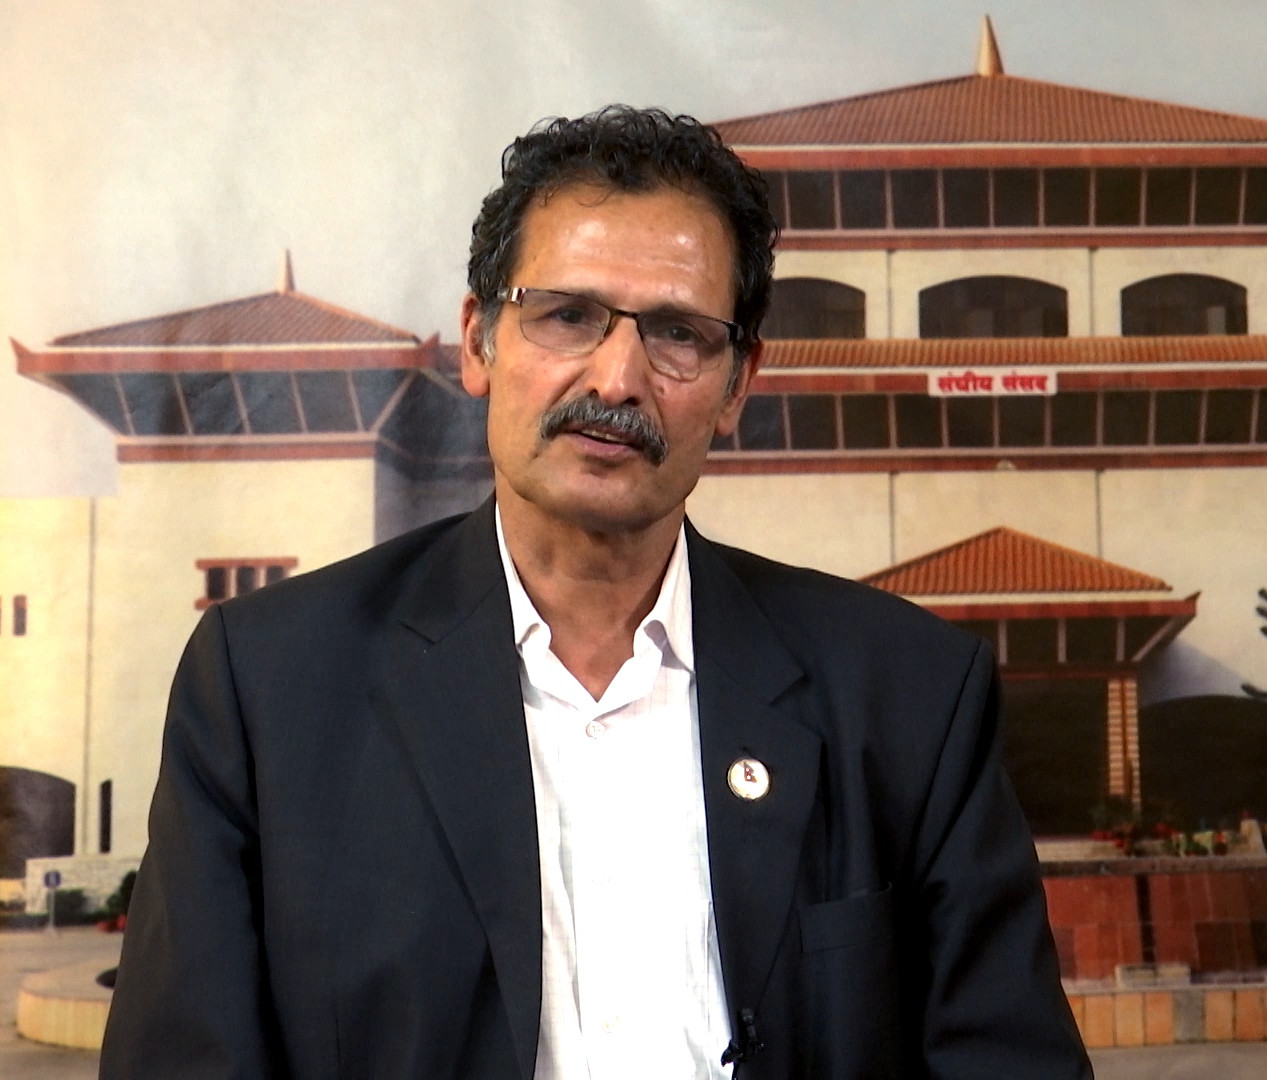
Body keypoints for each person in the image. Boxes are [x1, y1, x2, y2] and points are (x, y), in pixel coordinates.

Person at [101, 105, 1091, 1079]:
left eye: (678, 334)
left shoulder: (908, 693)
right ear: (479, 342)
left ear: (738, 383)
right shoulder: (271, 687)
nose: (617, 380)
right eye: (568, 316)